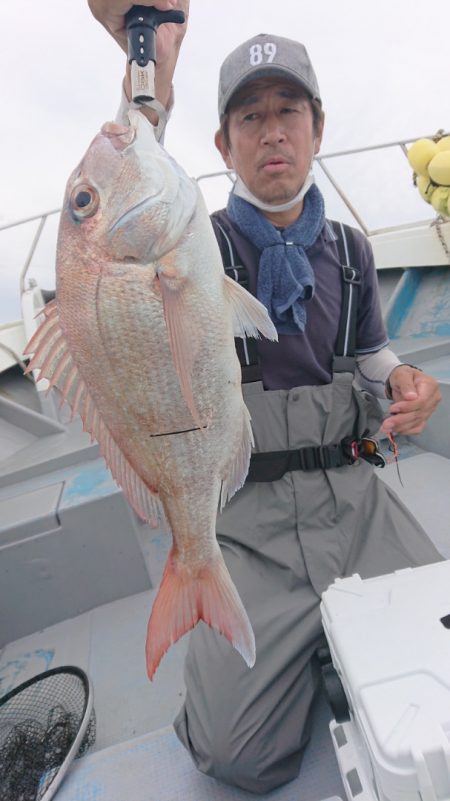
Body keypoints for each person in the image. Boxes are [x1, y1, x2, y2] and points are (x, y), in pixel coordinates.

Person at [89, 2, 443, 794]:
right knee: (237, 755)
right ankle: (308, 638)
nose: (273, 131)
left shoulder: (350, 249)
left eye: (290, 111)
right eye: (251, 116)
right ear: (222, 144)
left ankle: (326, 638)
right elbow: (130, 181)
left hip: (356, 504)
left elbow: (368, 355)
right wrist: (153, 71)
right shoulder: (189, 243)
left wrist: (404, 381)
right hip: (244, 526)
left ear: (318, 129)